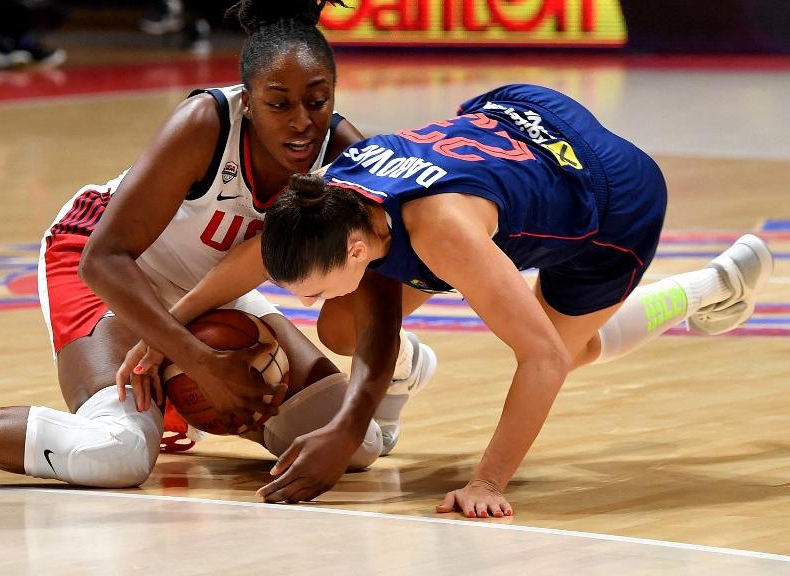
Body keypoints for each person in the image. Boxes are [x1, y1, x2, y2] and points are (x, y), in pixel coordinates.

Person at [0, 0, 436, 497]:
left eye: (317, 102)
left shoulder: (349, 156)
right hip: (102, 262)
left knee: (356, 446)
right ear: (249, 100)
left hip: (206, 287)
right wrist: (197, 360)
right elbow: (106, 258)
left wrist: (357, 406)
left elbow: (379, 292)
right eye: (279, 104)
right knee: (116, 455)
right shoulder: (207, 124)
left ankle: (402, 372)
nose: (301, 122)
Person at [249, 83, 773, 516]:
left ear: (357, 248)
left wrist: (488, 484)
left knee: (561, 354)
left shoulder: (443, 233)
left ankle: (710, 287)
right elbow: (263, 265)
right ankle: (404, 370)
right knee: (341, 326)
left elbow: (542, 360)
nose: (310, 300)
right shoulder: (326, 196)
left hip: (612, 197)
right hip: (521, 113)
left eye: (313, 289)